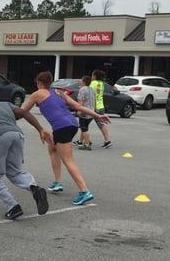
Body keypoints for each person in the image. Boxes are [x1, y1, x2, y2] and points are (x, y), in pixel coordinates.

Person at [22, 71, 110, 205]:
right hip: (72, 124)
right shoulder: (58, 92)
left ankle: (84, 191)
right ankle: (57, 182)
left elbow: (23, 112)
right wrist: (97, 115)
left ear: (39, 83)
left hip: (61, 128)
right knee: (52, 149)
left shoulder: (37, 94)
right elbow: (78, 106)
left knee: (68, 160)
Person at [0, 94, 51, 220]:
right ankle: (35, 188)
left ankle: (13, 207)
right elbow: (25, 113)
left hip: (0, 137)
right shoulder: (4, 104)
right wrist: (40, 129)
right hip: (17, 135)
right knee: (15, 172)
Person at [90, 69, 112, 148]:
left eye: (92, 75)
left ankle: (83, 141)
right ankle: (107, 140)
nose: (91, 76)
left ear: (95, 76)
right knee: (99, 124)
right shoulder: (101, 84)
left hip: (94, 106)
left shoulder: (93, 83)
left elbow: (90, 94)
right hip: (101, 105)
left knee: (84, 123)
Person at [77, 76, 96, 150]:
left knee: (84, 128)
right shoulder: (92, 89)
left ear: (84, 82)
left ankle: (87, 144)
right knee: (84, 127)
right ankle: (81, 141)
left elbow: (80, 101)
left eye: (81, 81)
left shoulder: (82, 89)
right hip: (91, 112)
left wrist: (79, 110)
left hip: (84, 112)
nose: (80, 82)